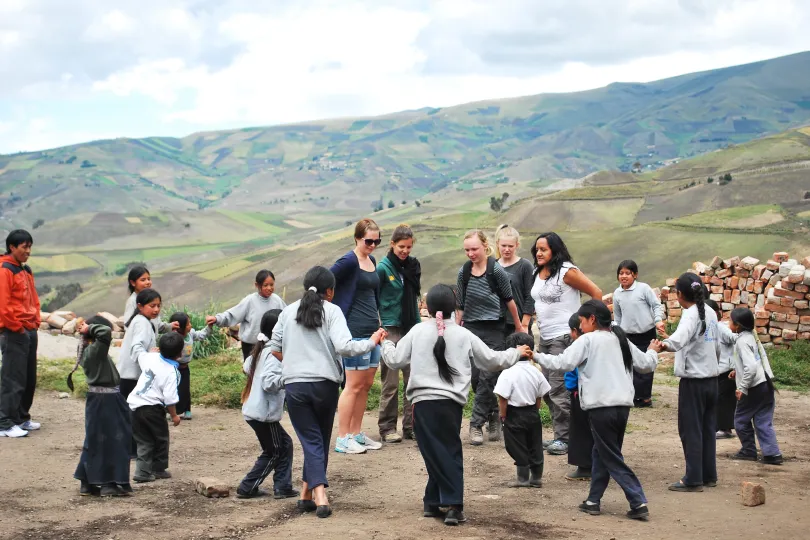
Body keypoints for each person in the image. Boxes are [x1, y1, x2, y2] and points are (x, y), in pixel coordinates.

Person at [380, 284, 532, 526]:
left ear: (427, 309)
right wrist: (516, 352)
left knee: (433, 451)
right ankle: (444, 503)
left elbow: (395, 360)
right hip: (451, 405)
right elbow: (492, 360)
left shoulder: (417, 331)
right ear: (455, 309)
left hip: (422, 404)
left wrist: (386, 343)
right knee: (447, 451)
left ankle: (442, 503)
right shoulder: (464, 335)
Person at [270, 266, 386, 518]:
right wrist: (372, 341)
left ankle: (305, 494)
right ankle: (320, 494)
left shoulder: (287, 312)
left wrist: (293, 363)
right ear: (330, 291)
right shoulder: (332, 311)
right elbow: (345, 347)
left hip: (295, 385)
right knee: (318, 439)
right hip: (324, 385)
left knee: (314, 440)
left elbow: (274, 348)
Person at [533, 300, 661, 521]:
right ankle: (593, 501)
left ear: (592, 319)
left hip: (601, 409)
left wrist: (534, 356)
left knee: (610, 456)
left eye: (582, 321)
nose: (580, 327)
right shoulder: (621, 340)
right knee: (601, 453)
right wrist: (652, 352)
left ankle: (637, 500)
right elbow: (646, 365)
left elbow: (562, 363)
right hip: (622, 408)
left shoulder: (588, 340)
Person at [530, 232, 602, 456]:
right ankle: (561, 434)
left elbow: (596, 292)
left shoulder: (567, 272)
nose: (539, 253)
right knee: (549, 388)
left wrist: (590, 327)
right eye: (537, 249)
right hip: (545, 337)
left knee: (559, 388)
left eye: (544, 249)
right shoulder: (538, 273)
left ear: (555, 250)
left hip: (565, 336)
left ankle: (566, 438)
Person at [456, 229, 524, 446]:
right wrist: (456, 329)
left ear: (485, 246)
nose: (470, 253)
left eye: (474, 249)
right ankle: (494, 415)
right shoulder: (464, 272)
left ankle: (475, 425)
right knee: (477, 378)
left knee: (488, 376)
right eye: (467, 250)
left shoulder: (497, 272)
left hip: (495, 329)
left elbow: (509, 301)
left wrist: (519, 327)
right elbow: (460, 305)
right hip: (471, 330)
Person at [658, 273, 720, 492]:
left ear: (680, 294)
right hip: (712, 380)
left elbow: (679, 340)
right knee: (707, 428)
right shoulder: (711, 312)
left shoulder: (690, 314)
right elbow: (717, 346)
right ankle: (708, 474)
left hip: (694, 382)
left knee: (690, 430)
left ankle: (693, 478)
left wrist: (662, 345)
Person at [330, 218, 384, 454]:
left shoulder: (371, 260)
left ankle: (356, 434)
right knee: (352, 386)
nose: (372, 245)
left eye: (376, 241)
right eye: (368, 241)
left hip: (372, 332)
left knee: (366, 385)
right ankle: (342, 438)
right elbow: (326, 281)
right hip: (353, 331)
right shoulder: (348, 262)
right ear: (357, 238)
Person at [237, 309, 299, 499]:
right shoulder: (273, 354)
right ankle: (247, 487)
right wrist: (287, 378)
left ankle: (283, 487)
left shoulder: (261, 350)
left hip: (255, 411)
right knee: (274, 451)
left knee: (283, 445)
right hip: (263, 414)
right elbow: (268, 382)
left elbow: (246, 366)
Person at [73, 316, 133, 497]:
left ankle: (87, 482)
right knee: (113, 440)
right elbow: (105, 332)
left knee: (96, 440)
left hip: (101, 399)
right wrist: (89, 328)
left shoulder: (90, 351)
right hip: (106, 401)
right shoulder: (94, 350)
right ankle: (108, 483)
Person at [376, 224, 421, 443]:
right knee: (391, 381)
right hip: (391, 328)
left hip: (411, 327)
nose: (405, 251)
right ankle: (387, 427)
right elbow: (375, 299)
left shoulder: (413, 266)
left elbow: (413, 299)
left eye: (408, 247)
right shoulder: (383, 269)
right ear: (392, 244)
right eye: (401, 246)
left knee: (412, 379)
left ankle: (411, 426)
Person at [494, 332, 550, 488]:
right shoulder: (536, 371)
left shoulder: (507, 373)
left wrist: (503, 415)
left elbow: (503, 398)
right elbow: (540, 396)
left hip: (514, 413)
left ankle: (523, 478)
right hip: (532, 412)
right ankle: (537, 478)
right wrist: (535, 411)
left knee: (517, 445)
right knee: (535, 444)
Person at [728, 307, 783, 465]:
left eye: (730, 321)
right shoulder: (752, 336)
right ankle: (772, 454)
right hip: (765, 383)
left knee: (740, 420)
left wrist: (742, 387)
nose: (729, 323)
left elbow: (750, 367)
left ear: (737, 325)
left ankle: (748, 451)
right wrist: (737, 372)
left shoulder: (742, 341)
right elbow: (755, 362)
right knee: (763, 421)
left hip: (753, 388)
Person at [0, 230, 41, 438]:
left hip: (29, 328)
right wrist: (16, 327)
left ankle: (21, 418)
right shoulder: (5, 269)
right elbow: (3, 305)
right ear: (12, 247)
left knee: (28, 377)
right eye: (24, 247)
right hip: (13, 330)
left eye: (29, 246)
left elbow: (33, 298)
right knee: (12, 377)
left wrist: (36, 320)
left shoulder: (25, 270)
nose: (28, 251)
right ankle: (4, 422)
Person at [127, 331, 184, 483]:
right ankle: (158, 469)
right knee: (161, 438)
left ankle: (142, 471)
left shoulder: (151, 357)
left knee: (144, 440)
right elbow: (170, 398)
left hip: (134, 405)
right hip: (152, 409)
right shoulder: (172, 372)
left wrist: (151, 351)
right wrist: (174, 415)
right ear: (179, 354)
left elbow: (141, 356)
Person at [613, 260, 665, 408]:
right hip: (628, 335)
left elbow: (656, 305)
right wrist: (617, 331)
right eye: (621, 273)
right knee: (631, 365)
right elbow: (617, 316)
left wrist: (658, 320)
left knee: (647, 365)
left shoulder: (643, 289)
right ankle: (633, 396)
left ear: (635, 275)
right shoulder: (617, 293)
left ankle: (645, 398)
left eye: (627, 273)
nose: (624, 276)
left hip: (646, 332)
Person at [118, 288, 163, 457]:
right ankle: (132, 450)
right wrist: (148, 357)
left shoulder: (141, 320)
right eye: (152, 306)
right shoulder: (142, 323)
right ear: (140, 306)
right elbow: (137, 347)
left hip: (128, 374)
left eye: (159, 305)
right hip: (132, 376)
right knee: (134, 414)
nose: (156, 309)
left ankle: (130, 448)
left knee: (131, 413)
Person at [206, 270, 286, 360]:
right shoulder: (249, 301)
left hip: (272, 346)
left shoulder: (277, 300)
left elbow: (287, 316)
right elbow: (233, 314)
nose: (269, 288)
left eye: (271, 285)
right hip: (251, 346)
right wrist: (217, 319)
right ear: (257, 285)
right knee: (251, 370)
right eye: (265, 285)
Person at [167, 312, 213, 420]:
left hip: (184, 368)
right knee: (173, 389)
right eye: (188, 324)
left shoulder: (191, 334)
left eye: (190, 323)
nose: (190, 325)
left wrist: (209, 327)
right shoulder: (174, 337)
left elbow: (202, 335)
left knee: (185, 390)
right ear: (180, 327)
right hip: (173, 368)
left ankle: (187, 410)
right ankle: (172, 411)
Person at [564, 313, 593, 481]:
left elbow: (571, 373)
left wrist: (571, 388)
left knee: (580, 431)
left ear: (576, 330)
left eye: (571, 330)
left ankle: (584, 467)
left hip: (579, 394)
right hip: (594, 393)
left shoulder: (577, 347)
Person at [494, 225, 535, 336]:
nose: (507, 249)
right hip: (497, 325)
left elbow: (530, 296)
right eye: (503, 245)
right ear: (497, 244)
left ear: (517, 245)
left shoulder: (525, 265)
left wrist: (524, 325)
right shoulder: (492, 266)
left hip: (519, 325)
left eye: (510, 246)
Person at [708, 300, 737, 439]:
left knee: (723, 400)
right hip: (718, 370)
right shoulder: (710, 327)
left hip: (726, 370)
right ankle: (718, 426)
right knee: (718, 399)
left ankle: (725, 428)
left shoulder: (719, 326)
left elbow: (735, 337)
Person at [123, 266, 173, 333]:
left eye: (149, 279)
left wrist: (171, 326)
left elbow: (157, 326)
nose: (148, 282)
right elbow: (128, 327)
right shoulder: (132, 301)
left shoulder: (152, 299)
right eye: (143, 280)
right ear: (133, 283)